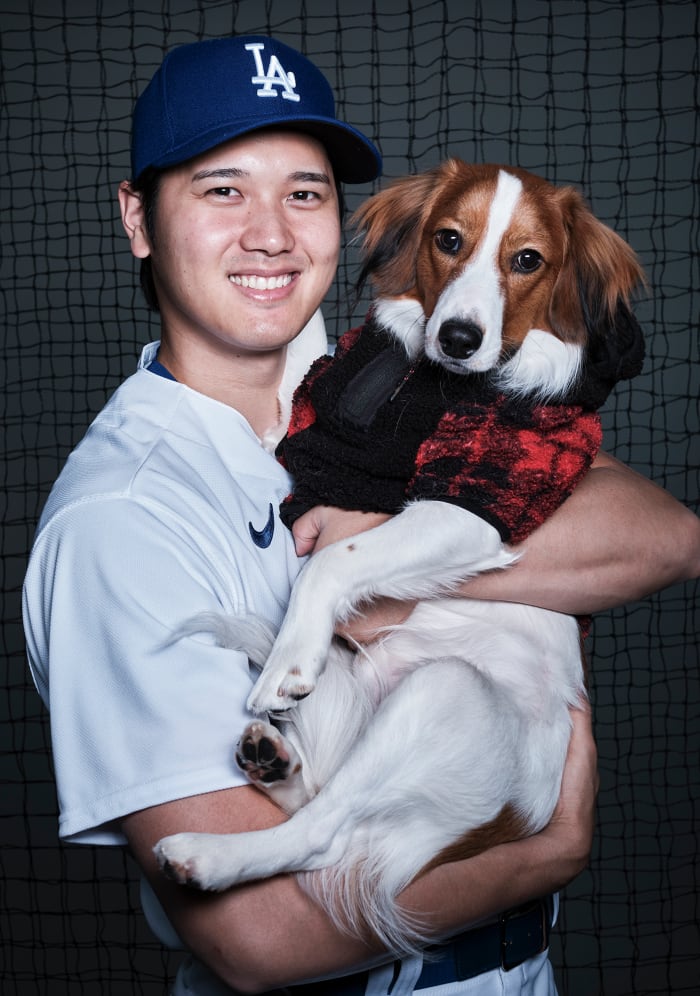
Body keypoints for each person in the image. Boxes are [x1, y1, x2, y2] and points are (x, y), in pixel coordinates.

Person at [22, 35, 700, 996]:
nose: (272, 233)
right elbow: (258, 943)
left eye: (304, 193)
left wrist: (384, 560)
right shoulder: (121, 519)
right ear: (137, 218)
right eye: (223, 190)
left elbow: (668, 535)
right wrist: (547, 857)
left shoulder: (358, 382)